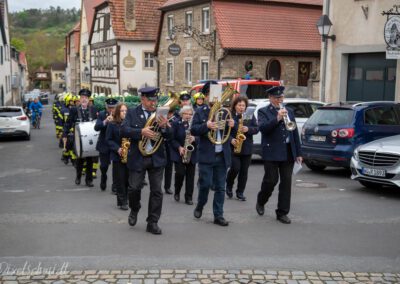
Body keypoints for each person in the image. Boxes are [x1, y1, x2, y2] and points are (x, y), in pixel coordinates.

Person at [121, 87, 172, 235]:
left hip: (156, 157)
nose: (153, 103)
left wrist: (165, 127)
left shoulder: (160, 114)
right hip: (138, 157)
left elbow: (170, 136)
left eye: (155, 100)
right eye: (150, 100)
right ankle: (135, 208)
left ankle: (152, 222)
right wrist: (140, 132)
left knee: (157, 191)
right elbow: (123, 130)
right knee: (134, 188)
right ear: (142, 99)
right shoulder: (132, 113)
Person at [256, 86, 302, 224]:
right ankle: (261, 200)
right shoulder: (263, 112)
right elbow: (263, 129)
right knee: (271, 180)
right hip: (271, 151)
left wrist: (298, 153)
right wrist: (277, 118)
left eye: (281, 97)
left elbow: (294, 132)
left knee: (286, 183)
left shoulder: (290, 111)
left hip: (288, 151)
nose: (280, 100)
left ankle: (282, 212)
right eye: (277, 98)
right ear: (270, 98)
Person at [191, 81, 235, 227]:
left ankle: (218, 215)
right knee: (205, 185)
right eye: (213, 94)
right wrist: (206, 126)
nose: (216, 97)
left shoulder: (224, 110)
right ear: (207, 95)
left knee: (220, 187)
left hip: (222, 154)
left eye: (218, 93)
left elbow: (230, 133)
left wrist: (231, 126)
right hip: (206, 155)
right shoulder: (201, 111)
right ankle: (200, 205)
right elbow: (194, 130)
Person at [226, 97, 258, 201]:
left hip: (246, 147)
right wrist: (231, 140)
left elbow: (256, 129)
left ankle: (240, 192)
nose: (241, 107)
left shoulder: (249, 115)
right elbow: (225, 132)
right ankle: (229, 185)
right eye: (239, 105)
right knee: (235, 168)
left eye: (243, 105)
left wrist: (248, 129)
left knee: (244, 171)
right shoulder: (230, 116)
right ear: (235, 105)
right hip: (233, 147)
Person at [63, 89, 98, 187]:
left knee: (90, 160)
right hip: (78, 139)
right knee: (80, 160)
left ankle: (89, 180)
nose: (84, 99)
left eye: (86, 98)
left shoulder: (93, 109)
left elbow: (97, 123)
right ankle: (78, 176)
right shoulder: (74, 110)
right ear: (79, 98)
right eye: (82, 97)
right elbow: (68, 123)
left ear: (89, 99)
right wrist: (65, 134)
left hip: (90, 139)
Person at [164, 91, 192, 195]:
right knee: (168, 164)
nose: (185, 102)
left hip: (183, 143)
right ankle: (167, 186)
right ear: (180, 102)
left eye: (186, 100)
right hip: (170, 140)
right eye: (183, 100)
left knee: (176, 168)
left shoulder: (193, 114)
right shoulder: (175, 112)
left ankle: (171, 188)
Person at [170, 105, 197, 205]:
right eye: (186, 114)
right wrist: (179, 147)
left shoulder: (194, 124)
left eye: (190, 114)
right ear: (182, 114)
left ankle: (188, 197)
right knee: (180, 174)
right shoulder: (176, 123)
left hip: (191, 153)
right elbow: (171, 139)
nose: (188, 116)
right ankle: (177, 190)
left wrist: (195, 138)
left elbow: (201, 136)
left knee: (191, 176)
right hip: (179, 152)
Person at [106, 102, 129, 210]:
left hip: (130, 155)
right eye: (122, 111)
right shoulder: (112, 124)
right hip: (118, 155)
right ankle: (122, 201)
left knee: (129, 179)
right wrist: (117, 148)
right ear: (118, 112)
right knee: (120, 179)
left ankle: (127, 198)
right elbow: (108, 140)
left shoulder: (130, 123)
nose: (124, 113)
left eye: (126, 111)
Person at [95, 97, 118, 191]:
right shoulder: (101, 114)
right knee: (104, 166)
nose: (111, 109)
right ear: (106, 107)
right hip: (104, 144)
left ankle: (115, 185)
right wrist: (105, 121)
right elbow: (96, 127)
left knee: (116, 167)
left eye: (113, 107)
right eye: (109, 107)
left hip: (115, 144)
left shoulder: (119, 115)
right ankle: (103, 177)